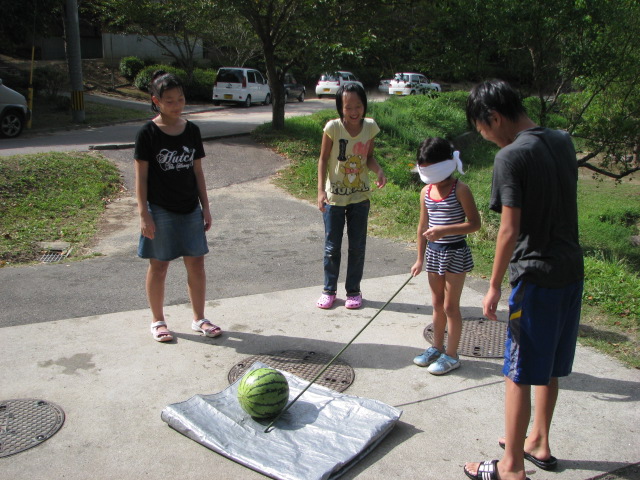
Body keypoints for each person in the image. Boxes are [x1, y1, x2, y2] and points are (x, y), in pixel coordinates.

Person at [463, 80, 584, 480]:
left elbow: (508, 230)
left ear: (493, 118)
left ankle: (511, 467)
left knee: (517, 370)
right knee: (548, 364)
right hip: (570, 271)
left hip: (534, 277)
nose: (488, 139)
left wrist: (494, 285)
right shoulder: (563, 141)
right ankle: (538, 441)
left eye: (484, 131)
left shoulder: (511, 156)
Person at [134, 70, 222, 342]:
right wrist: (144, 214)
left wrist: (205, 207)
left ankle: (200, 318)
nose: (176, 105)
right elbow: (141, 177)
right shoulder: (147, 133)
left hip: (189, 208)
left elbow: (198, 172)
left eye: (180, 99)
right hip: (160, 209)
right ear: (156, 101)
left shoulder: (192, 130)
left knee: (196, 263)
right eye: (169, 100)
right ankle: (158, 321)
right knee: (159, 265)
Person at [410, 138, 481, 375]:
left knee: (451, 306)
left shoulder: (460, 189)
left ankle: (452, 355)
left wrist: (444, 230)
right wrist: (420, 258)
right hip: (434, 254)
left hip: (455, 253)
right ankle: (436, 348)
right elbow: (422, 226)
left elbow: (474, 224)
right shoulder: (426, 191)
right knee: (437, 304)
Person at [316, 83, 386, 309]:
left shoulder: (370, 127)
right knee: (331, 247)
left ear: (364, 105)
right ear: (340, 108)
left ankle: (353, 291)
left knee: (357, 247)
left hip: (360, 197)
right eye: (348, 107)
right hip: (333, 198)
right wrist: (320, 190)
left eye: (358, 106)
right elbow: (323, 159)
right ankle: (329, 290)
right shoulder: (333, 128)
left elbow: (369, 157)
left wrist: (378, 171)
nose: (354, 111)